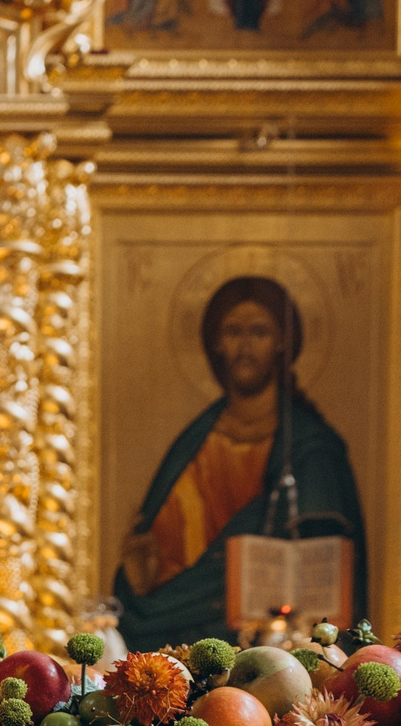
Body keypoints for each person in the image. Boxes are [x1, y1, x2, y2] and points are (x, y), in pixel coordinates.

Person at [115, 275, 367, 652]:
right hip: (177, 639)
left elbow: (328, 567)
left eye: (260, 332)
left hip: (273, 644)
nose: (244, 346)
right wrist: (139, 580)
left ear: (282, 342)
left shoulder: (312, 448)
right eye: (233, 332)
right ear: (216, 342)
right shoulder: (194, 442)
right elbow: (157, 565)